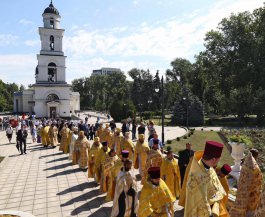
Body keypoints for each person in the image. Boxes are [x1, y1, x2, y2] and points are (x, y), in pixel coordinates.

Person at [184, 141, 228, 217]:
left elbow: (218, 189)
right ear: (214, 160)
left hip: (213, 209)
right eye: (218, 159)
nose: (218, 161)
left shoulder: (211, 170)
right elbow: (199, 202)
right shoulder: (195, 176)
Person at [230, 152, 263, 217]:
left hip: (246, 197)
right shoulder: (256, 169)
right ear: (256, 156)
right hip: (253, 199)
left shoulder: (246, 165)